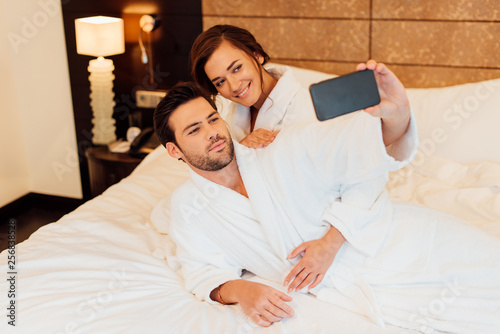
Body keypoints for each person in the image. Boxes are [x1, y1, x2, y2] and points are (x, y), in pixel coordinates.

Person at [153, 82, 500, 333]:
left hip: (392, 241)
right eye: (195, 130)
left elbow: (365, 158)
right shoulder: (188, 207)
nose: (213, 132)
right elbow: (202, 272)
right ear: (174, 151)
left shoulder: (280, 146)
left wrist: (395, 115)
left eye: (213, 119)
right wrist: (242, 290)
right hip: (353, 290)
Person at [189, 24, 418, 293]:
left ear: (257, 55)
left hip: (323, 239)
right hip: (272, 246)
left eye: (237, 68)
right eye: (220, 82)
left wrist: (329, 245)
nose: (234, 86)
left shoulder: (310, 108)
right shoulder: (232, 116)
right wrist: (241, 151)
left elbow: (366, 176)